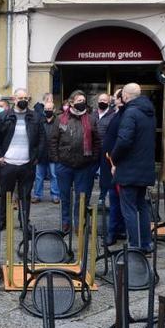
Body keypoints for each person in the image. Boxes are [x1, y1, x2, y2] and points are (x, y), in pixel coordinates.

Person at [0, 88, 46, 230]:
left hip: (27, 164)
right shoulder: (4, 116)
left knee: (25, 196)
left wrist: (36, 157)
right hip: (8, 163)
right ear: (14, 99)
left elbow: (42, 138)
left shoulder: (35, 117)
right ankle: (2, 222)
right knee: (5, 195)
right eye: (20, 98)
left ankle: (25, 223)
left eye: (26, 98)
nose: (23, 100)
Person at [110, 83, 155, 253]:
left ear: (126, 96)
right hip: (144, 168)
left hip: (129, 169)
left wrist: (114, 158)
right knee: (141, 206)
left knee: (128, 208)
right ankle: (146, 244)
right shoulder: (149, 112)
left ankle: (134, 246)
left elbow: (124, 141)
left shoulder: (130, 113)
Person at [49, 90, 101, 233]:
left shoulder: (91, 119)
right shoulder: (60, 119)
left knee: (81, 197)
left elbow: (97, 140)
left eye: (83, 101)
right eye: (79, 101)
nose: (82, 104)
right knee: (65, 196)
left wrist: (94, 159)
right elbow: (53, 140)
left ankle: (79, 223)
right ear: (71, 103)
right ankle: (66, 222)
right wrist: (56, 159)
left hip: (84, 166)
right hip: (64, 165)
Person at [103, 89, 126, 246]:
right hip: (111, 162)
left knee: (116, 199)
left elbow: (122, 141)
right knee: (116, 199)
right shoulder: (116, 114)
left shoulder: (124, 116)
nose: (112, 99)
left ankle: (113, 232)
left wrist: (115, 162)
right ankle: (119, 229)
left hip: (116, 165)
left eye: (115, 96)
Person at [32, 100, 60, 204]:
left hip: (53, 153)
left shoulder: (58, 122)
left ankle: (55, 195)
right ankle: (37, 195)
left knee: (54, 175)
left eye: (50, 109)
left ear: (54, 110)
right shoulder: (40, 121)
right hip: (41, 154)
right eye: (46, 109)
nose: (48, 111)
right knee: (39, 176)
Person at [93, 93, 116, 205]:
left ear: (109, 102)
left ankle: (102, 196)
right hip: (93, 149)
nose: (102, 102)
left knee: (105, 175)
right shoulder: (93, 114)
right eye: (100, 100)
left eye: (105, 100)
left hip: (106, 149)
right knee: (90, 172)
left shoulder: (113, 115)